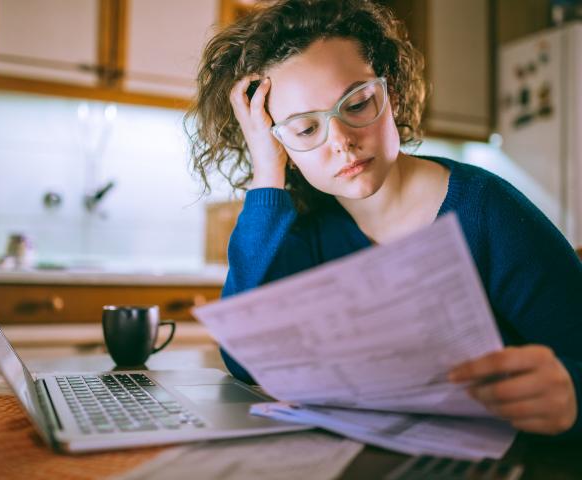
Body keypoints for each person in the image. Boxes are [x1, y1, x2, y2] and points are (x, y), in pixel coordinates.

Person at [184, 0, 582, 437]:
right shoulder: (303, 226)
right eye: (304, 129)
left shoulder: (486, 210)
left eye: (355, 104)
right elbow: (246, 360)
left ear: (388, 92)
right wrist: (266, 170)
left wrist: (571, 394)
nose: (341, 142)